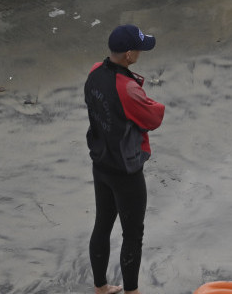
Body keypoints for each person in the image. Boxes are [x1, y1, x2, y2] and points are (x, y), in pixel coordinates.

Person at [85, 24, 166, 294]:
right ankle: (132, 291)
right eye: (140, 49)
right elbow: (153, 118)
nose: (142, 52)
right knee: (133, 234)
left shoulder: (95, 71)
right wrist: (153, 103)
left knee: (102, 224)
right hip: (126, 172)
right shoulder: (128, 89)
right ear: (129, 55)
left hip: (101, 164)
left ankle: (100, 286)